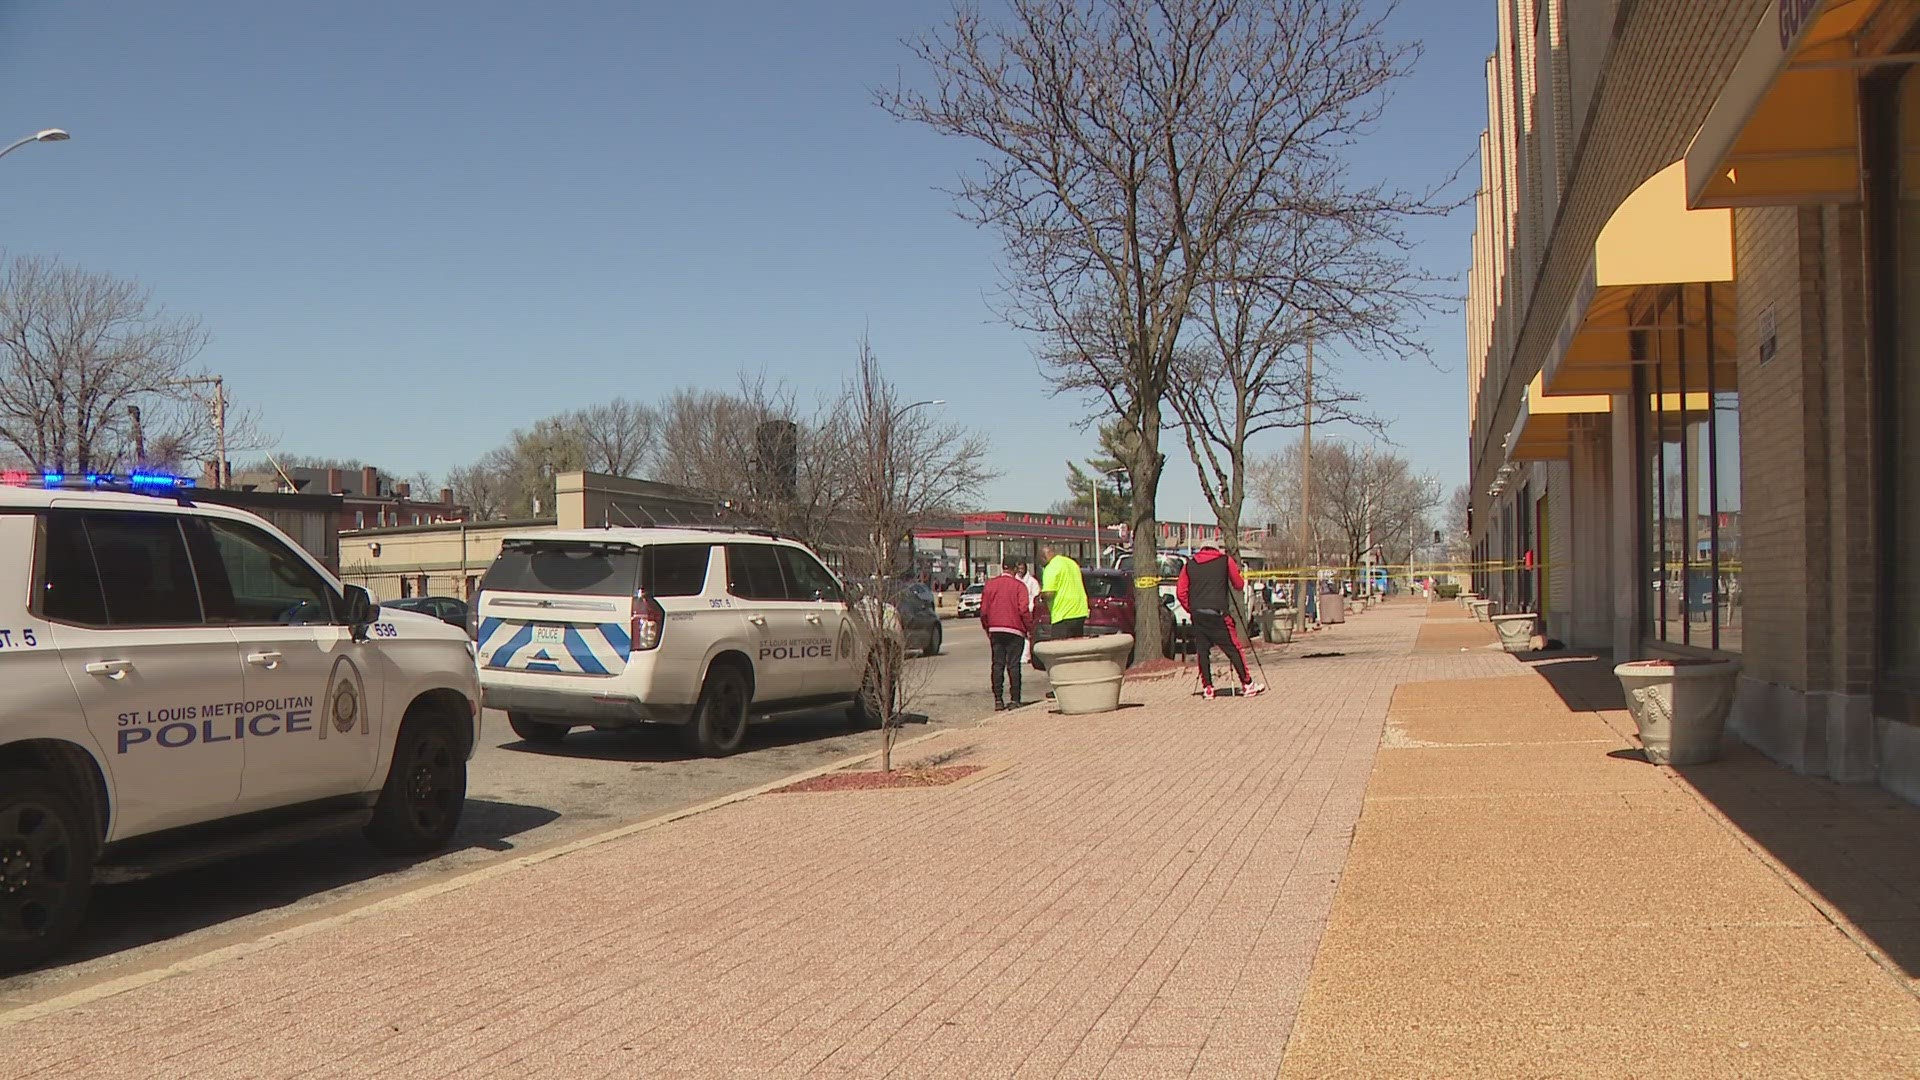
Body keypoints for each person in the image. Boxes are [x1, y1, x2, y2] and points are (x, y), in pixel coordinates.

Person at [1175, 540, 1264, 699]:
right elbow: (1238, 584)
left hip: (1198, 614)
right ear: (1216, 549)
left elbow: (1181, 592)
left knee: (1202, 651)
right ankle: (1247, 684)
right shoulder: (1224, 560)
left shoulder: (1190, 564)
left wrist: (1192, 608)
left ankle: (1208, 687)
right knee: (1233, 648)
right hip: (1218, 613)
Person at [979, 563, 1034, 710]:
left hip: (996, 629)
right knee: (1013, 665)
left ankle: (998, 699)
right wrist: (1029, 628)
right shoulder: (1019, 586)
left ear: (1002, 567)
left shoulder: (991, 585)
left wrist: (987, 627)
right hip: (1015, 629)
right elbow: (1023, 610)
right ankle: (1015, 699)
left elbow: (984, 610)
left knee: (998, 664)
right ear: (1014, 569)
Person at [1038, 543, 1089, 640]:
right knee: (1076, 647)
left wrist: (1041, 596)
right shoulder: (1071, 563)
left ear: (1043, 557)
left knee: (1060, 649)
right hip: (1080, 611)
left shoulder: (1051, 567)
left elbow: (1049, 593)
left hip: (1064, 613)